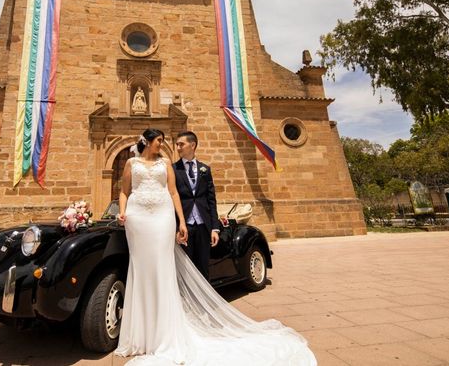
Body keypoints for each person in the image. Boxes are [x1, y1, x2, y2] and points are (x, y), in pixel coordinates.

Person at [115, 128, 316, 365]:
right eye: (163, 141)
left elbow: (204, 198)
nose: (171, 145)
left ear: (193, 145)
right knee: (143, 269)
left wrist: (211, 226)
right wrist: (123, 212)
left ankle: (194, 317)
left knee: (194, 269)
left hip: (178, 221)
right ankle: (145, 328)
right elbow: (127, 191)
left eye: (179, 143)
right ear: (148, 142)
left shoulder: (189, 167)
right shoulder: (151, 164)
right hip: (142, 219)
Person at [174, 131, 220, 279]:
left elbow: (211, 200)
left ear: (192, 145)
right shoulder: (174, 170)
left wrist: (215, 228)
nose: (178, 147)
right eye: (177, 144)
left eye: (181, 144)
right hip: (185, 226)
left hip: (203, 226)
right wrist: (176, 227)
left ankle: (203, 301)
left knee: (203, 265)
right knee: (185, 268)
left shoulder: (205, 169)